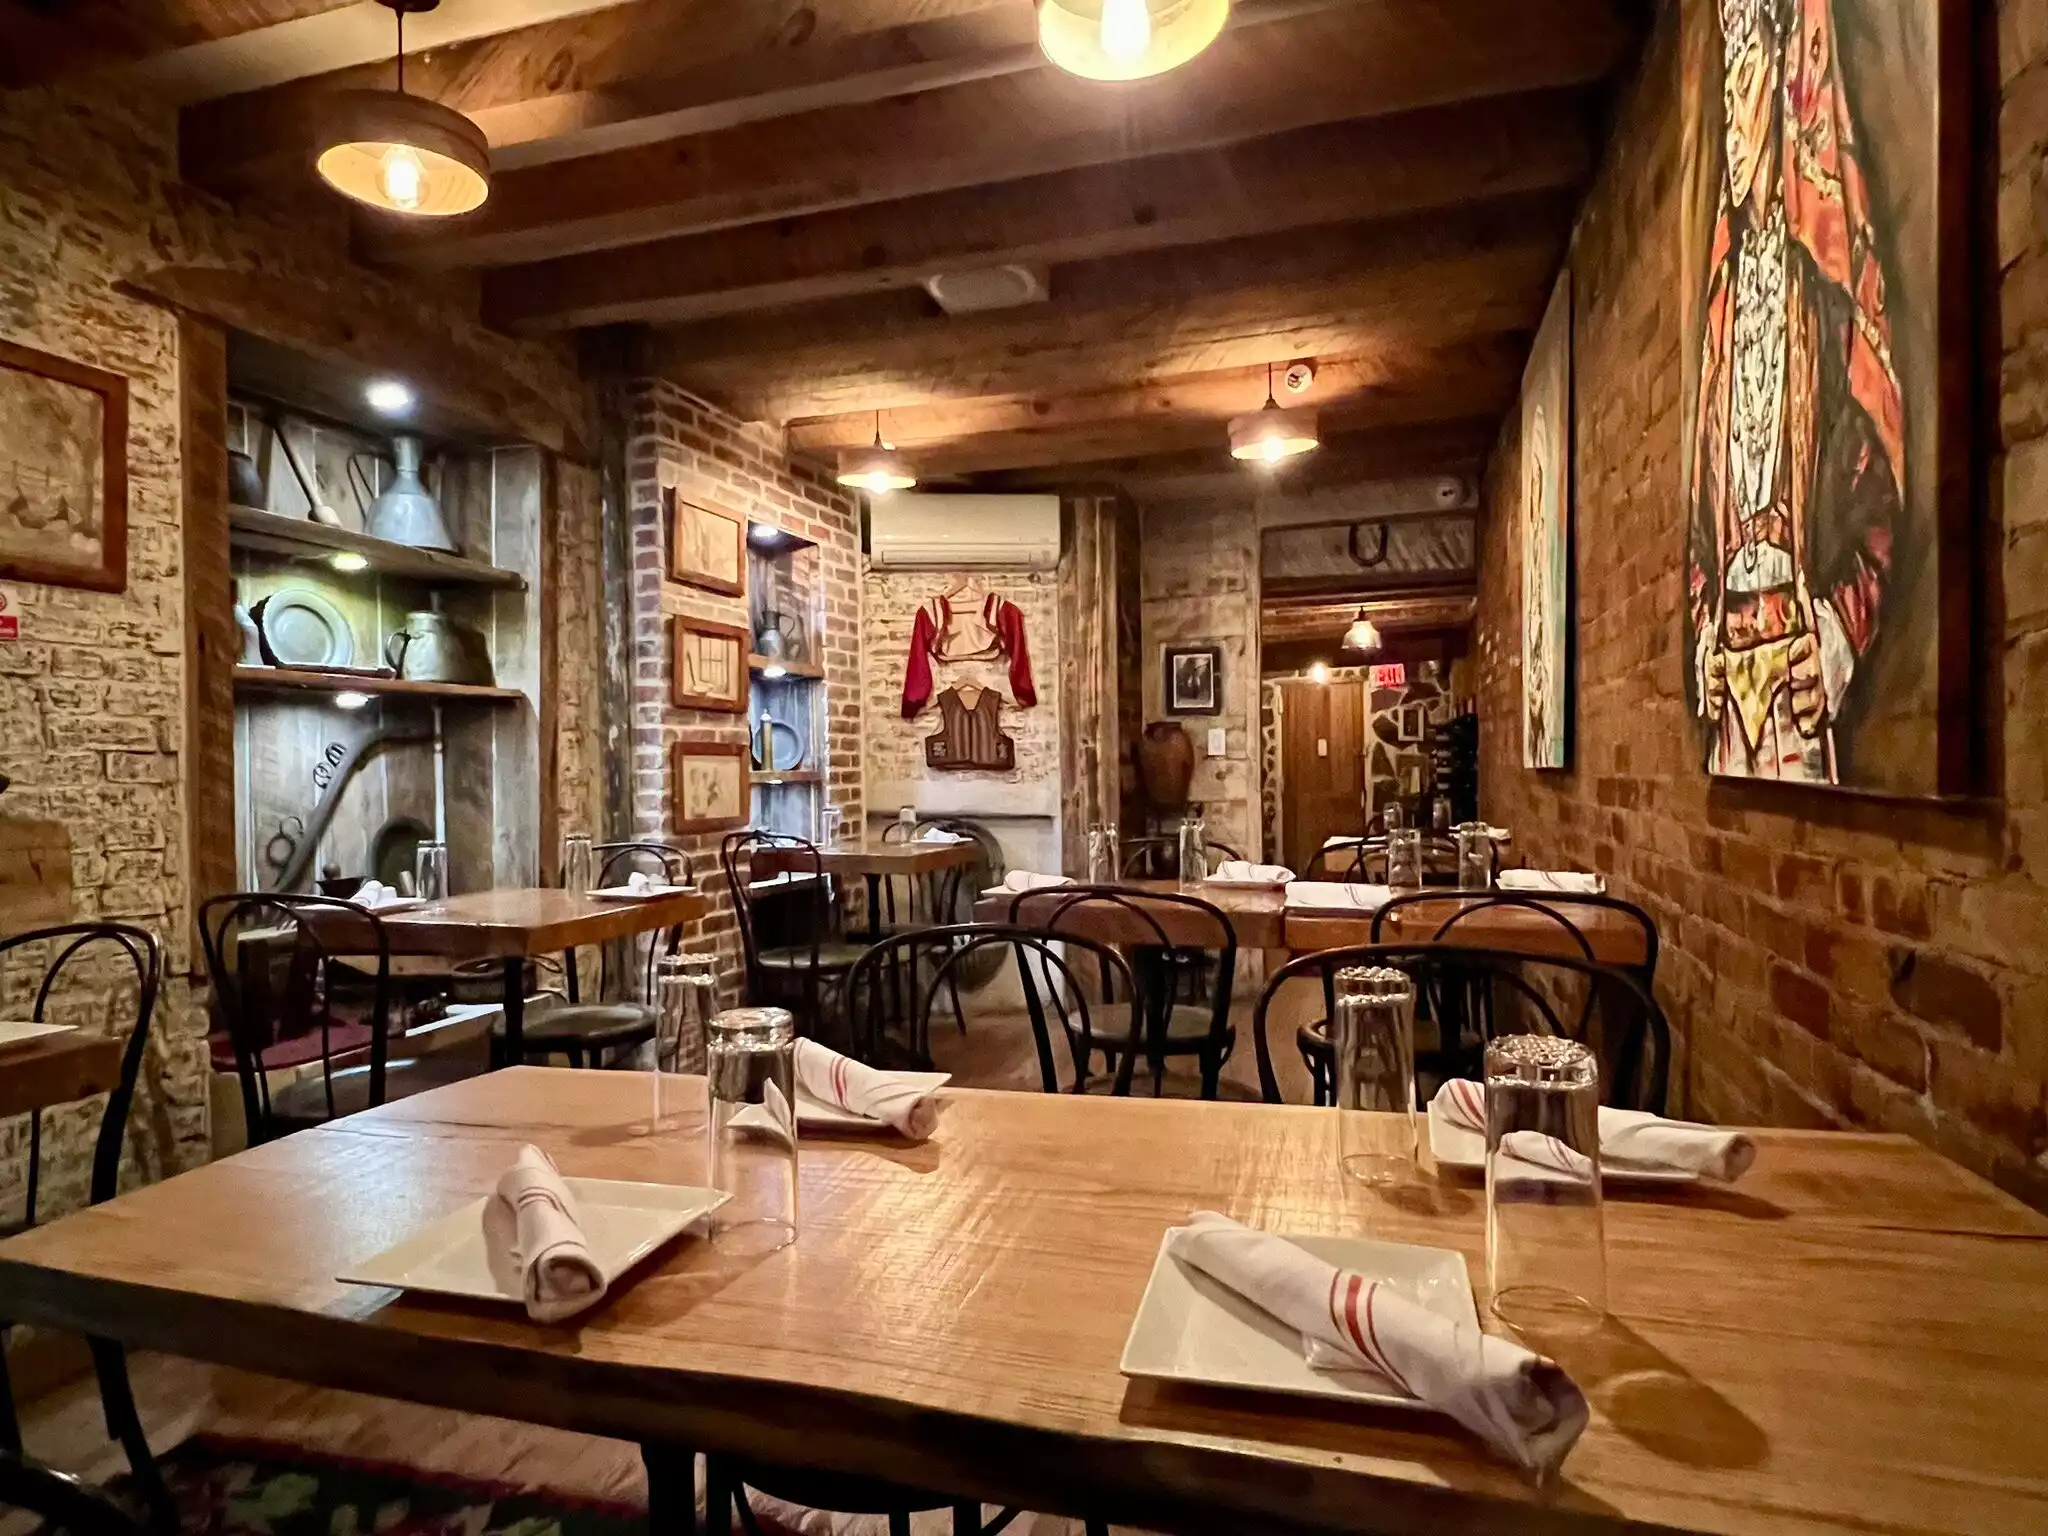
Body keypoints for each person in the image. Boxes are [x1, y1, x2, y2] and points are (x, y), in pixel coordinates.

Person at [1686, 0, 1903, 783]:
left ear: (1783, 78)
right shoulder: (1719, 307)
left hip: (1799, 675)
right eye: (1728, 77)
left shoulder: (1826, 293)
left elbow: (1877, 489)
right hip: (1730, 688)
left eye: (1748, 70)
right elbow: (1697, 531)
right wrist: (1704, 638)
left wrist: (1837, 633)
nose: (1732, 114)